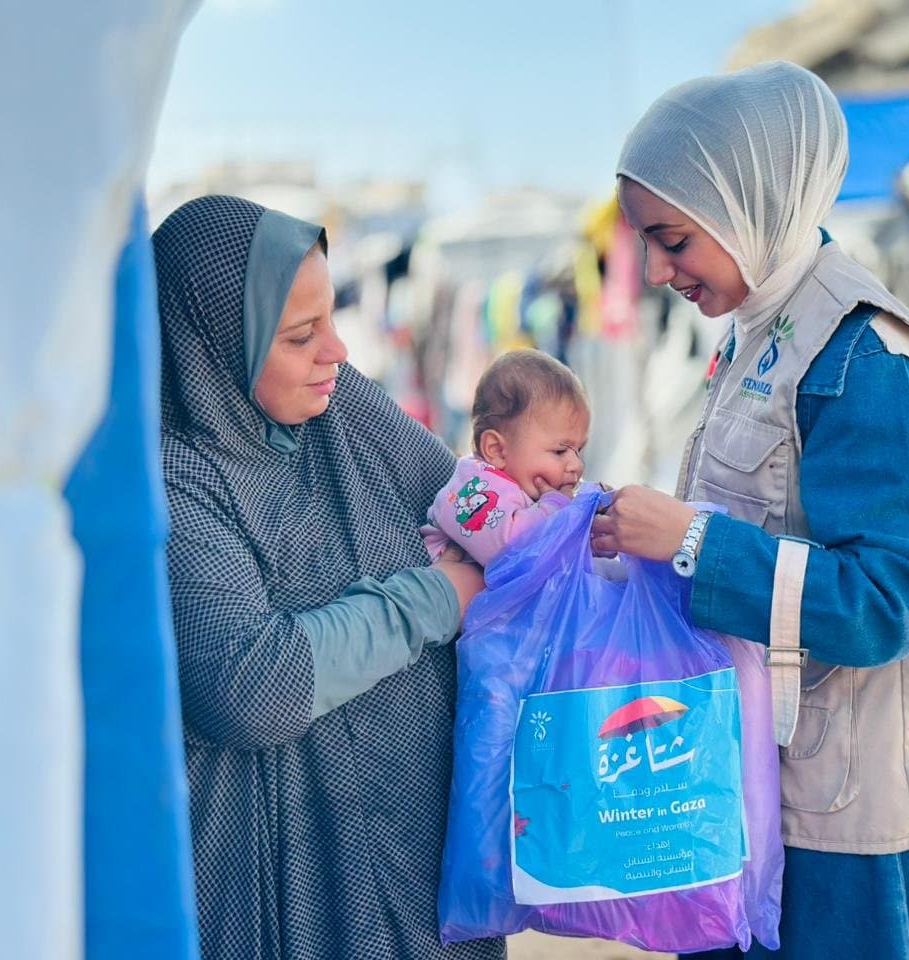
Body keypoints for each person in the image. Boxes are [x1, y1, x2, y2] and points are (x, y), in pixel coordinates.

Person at [592, 62, 909, 958]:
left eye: (673, 239)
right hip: (773, 787)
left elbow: (886, 601)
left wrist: (695, 541)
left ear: (750, 205)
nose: (660, 271)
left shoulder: (868, 360)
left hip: (860, 829)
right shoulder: (759, 333)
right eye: (647, 245)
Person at [154, 195, 504, 960]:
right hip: (291, 878)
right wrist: (436, 597)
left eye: (332, 318)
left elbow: (471, 514)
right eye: (301, 335)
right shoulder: (176, 478)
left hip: (412, 852)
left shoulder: (340, 409)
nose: (338, 351)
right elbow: (253, 685)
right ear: (216, 347)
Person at [421, 349, 591, 566]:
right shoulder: (473, 487)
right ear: (497, 450)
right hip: (451, 595)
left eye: (579, 451)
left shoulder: (529, 491)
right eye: (560, 451)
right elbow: (510, 547)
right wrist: (556, 508)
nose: (576, 465)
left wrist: (590, 532)